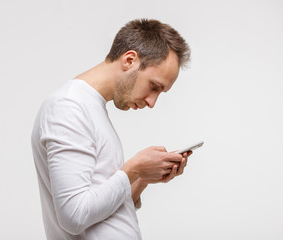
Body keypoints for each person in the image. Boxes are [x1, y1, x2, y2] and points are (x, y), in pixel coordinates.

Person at [31, 18, 191, 240]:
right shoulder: (69, 107)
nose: (152, 102)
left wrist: (142, 178)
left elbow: (101, 217)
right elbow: (74, 216)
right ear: (130, 60)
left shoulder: (89, 107)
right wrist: (133, 170)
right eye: (154, 86)